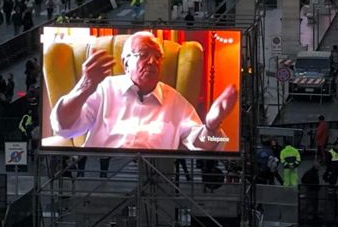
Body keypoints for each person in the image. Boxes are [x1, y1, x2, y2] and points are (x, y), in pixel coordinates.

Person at [50, 31, 238, 151]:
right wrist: (84, 87)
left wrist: (212, 126)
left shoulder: (174, 100)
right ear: (125, 63)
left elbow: (204, 145)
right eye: (144, 54)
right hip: (101, 179)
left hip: (152, 184)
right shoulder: (104, 89)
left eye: (158, 56)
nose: (152, 61)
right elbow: (64, 128)